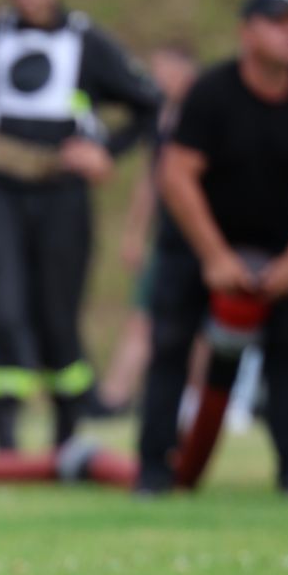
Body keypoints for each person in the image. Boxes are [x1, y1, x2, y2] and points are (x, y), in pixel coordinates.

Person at [0, 0, 162, 453]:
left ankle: (66, 432)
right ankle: (4, 437)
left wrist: (105, 149)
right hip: (0, 193)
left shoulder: (87, 43)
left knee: (58, 313)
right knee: (2, 310)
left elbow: (148, 104)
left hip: (62, 194)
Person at [139, 0, 288, 496]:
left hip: (274, 244)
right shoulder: (212, 93)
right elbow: (176, 174)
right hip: (194, 243)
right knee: (170, 346)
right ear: (246, 33)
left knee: (287, 354)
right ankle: (153, 471)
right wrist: (214, 256)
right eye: (278, 22)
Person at [97, 42, 199, 417]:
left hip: (201, 236)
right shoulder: (159, 119)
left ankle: (193, 401)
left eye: (163, 71)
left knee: (199, 326)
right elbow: (150, 180)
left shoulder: (205, 115)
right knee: (143, 316)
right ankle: (114, 396)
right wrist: (135, 233)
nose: (155, 80)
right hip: (168, 236)